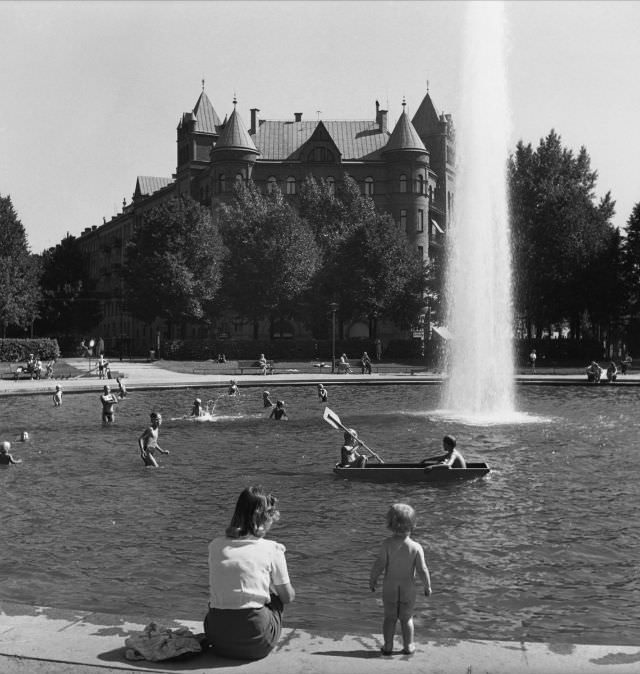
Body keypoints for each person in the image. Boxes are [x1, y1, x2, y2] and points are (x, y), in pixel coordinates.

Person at [204, 485, 295, 660]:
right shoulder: (272, 549)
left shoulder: (215, 545)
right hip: (256, 642)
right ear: (266, 518)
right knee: (276, 598)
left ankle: (230, 631)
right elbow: (288, 598)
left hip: (217, 638)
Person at [369, 503, 431, 656]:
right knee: (406, 618)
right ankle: (408, 645)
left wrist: (373, 579)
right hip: (407, 589)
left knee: (389, 618)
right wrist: (427, 586)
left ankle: (388, 646)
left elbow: (379, 564)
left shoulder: (387, 545)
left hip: (390, 588)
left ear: (389, 525)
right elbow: (423, 569)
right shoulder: (416, 547)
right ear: (413, 524)